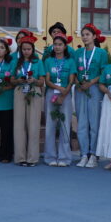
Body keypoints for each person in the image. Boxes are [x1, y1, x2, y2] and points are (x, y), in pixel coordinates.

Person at [74, 23, 108, 168]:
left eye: (87, 34)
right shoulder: (78, 53)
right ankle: (83, 154)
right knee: (81, 122)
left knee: (94, 123)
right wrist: (78, 82)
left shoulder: (101, 53)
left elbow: (103, 72)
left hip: (94, 89)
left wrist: (91, 82)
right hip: (80, 89)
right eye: (83, 35)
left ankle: (93, 154)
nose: (85, 37)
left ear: (94, 36)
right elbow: (74, 72)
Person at [11, 34, 45, 166]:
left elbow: (42, 81)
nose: (26, 51)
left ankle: (32, 158)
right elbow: (12, 80)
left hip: (34, 91)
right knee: (19, 125)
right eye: (24, 49)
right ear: (20, 49)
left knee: (33, 125)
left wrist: (34, 80)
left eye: (29, 49)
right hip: (20, 91)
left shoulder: (38, 62)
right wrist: (18, 80)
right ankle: (20, 157)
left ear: (33, 49)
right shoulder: (15, 62)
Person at [43, 32, 75, 167]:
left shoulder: (70, 61)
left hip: (66, 94)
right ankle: (50, 156)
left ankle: (64, 157)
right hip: (52, 93)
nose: (57, 47)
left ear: (65, 46)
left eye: (60, 44)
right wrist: (58, 88)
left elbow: (71, 80)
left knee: (65, 125)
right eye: (55, 44)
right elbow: (47, 80)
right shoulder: (48, 61)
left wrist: (63, 94)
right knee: (50, 125)